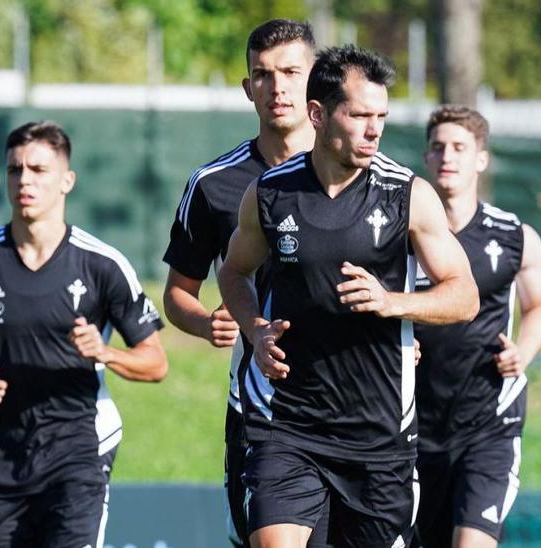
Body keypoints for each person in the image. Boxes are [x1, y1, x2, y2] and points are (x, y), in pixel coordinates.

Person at [217, 45, 479, 548]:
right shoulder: (269, 194)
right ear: (318, 114)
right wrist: (254, 328)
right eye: (359, 115)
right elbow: (233, 273)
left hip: (379, 436)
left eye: (380, 115)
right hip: (287, 425)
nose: (374, 128)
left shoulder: (408, 195)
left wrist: (393, 302)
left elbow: (463, 295)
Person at [0, 121, 168, 547]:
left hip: (78, 454)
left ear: (66, 180)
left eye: (38, 170)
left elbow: (156, 362)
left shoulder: (103, 265)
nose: (24, 180)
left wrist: (105, 353)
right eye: (14, 170)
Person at [160, 19, 318, 547]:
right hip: (260, 406)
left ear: (316, 78)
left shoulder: (360, 174)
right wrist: (208, 323)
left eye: (291, 72)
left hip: (357, 404)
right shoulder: (212, 185)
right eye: (263, 75)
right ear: (248, 87)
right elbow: (178, 294)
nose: (278, 88)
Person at [410, 105, 541, 548]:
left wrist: (524, 352)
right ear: (427, 158)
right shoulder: (401, 235)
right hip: (411, 423)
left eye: (459, 147)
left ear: (481, 158)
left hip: (489, 422)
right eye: (438, 148)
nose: (447, 157)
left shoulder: (514, 235)